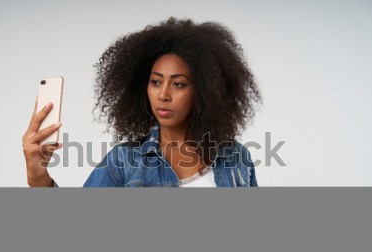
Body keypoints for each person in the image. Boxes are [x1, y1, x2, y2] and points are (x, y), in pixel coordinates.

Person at [23, 17, 261, 187]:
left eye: (178, 84)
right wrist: (38, 178)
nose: (163, 94)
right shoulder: (123, 161)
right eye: (156, 82)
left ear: (204, 91)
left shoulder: (236, 158)